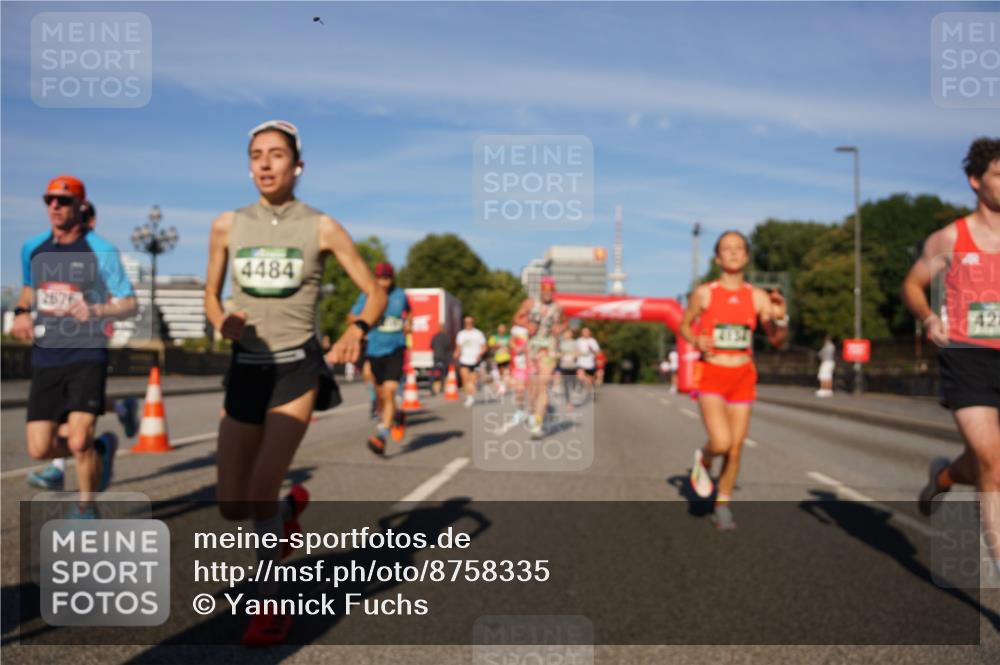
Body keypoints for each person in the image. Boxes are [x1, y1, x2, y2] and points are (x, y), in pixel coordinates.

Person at [204, 119, 385, 647]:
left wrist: (357, 328)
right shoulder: (226, 225)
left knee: (262, 487)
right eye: (256, 155)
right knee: (232, 506)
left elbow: (373, 291)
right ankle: (286, 513)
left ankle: (272, 606)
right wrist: (221, 321)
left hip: (296, 368)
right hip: (246, 368)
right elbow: (210, 295)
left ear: (297, 164)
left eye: (276, 154)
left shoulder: (322, 227)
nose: (265, 163)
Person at [902, 137, 1000, 576]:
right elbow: (912, 284)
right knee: (992, 462)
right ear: (976, 181)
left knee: (986, 460)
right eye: (999, 175)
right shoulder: (951, 237)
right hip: (968, 357)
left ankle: (944, 478)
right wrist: (928, 317)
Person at [12, 177, 138, 514]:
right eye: (50, 200)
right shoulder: (33, 248)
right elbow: (28, 289)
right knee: (40, 448)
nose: (55, 206)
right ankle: (102, 448)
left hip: (86, 354)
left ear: (81, 206)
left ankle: (86, 509)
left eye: (64, 201)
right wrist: (21, 313)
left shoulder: (102, 251)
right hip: (47, 356)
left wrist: (96, 310)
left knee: (79, 440)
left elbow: (130, 303)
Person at [680, 230, 787, 530]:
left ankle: (723, 504)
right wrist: (696, 340)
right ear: (717, 258)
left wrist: (781, 317)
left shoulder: (758, 296)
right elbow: (684, 325)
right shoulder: (704, 293)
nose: (734, 252)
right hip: (712, 374)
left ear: (747, 256)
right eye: (727, 248)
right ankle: (704, 457)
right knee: (721, 442)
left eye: (739, 248)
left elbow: (777, 340)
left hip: (742, 376)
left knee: (736, 448)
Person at [350, 262, 410, 455]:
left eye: (387, 278)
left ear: (392, 278)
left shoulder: (400, 295)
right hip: (375, 350)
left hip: (396, 348)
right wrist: (367, 319)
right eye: (380, 279)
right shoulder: (368, 295)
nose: (384, 283)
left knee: (390, 391)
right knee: (382, 396)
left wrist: (408, 323)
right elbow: (350, 317)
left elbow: (410, 312)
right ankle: (397, 415)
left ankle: (382, 436)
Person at [514, 275, 566, 438]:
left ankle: (537, 424)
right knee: (533, 389)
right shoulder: (530, 303)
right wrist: (526, 324)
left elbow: (565, 322)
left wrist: (560, 329)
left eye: (550, 289)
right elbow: (516, 318)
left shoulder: (558, 307)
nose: (547, 292)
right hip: (532, 349)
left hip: (550, 349)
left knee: (543, 384)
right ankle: (532, 411)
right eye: (544, 289)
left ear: (554, 290)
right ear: (540, 290)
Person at [455, 316, 487, 407]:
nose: (468, 324)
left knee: (472, 381)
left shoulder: (478, 333)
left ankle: (472, 395)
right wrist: (456, 354)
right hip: (464, 360)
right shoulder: (461, 334)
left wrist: (480, 354)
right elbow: (458, 347)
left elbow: (484, 347)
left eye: (470, 322)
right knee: (465, 379)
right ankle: (469, 397)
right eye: (466, 322)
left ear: (473, 323)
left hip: (475, 361)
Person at [575, 326, 600, 401]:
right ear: (582, 332)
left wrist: (592, 349)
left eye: (587, 331)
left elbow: (598, 352)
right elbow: (574, 350)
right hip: (580, 362)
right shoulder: (578, 341)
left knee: (590, 381)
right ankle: (582, 390)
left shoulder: (593, 341)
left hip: (590, 363)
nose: (585, 333)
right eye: (584, 331)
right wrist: (576, 354)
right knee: (580, 376)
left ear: (589, 333)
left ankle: (589, 392)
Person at [556, 328, 578, 409]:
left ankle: (573, 398)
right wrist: (561, 356)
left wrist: (574, 356)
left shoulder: (575, 343)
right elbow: (558, 353)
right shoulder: (561, 343)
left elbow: (578, 353)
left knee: (573, 384)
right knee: (565, 384)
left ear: (571, 334)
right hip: (564, 366)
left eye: (569, 333)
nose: (567, 335)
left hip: (573, 366)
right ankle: (569, 402)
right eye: (566, 333)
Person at [488, 323, 512, 396]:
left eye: (503, 328)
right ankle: (501, 386)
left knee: (506, 373)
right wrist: (496, 346)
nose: (502, 329)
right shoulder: (494, 337)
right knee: (499, 373)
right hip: (498, 358)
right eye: (500, 328)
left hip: (507, 357)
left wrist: (509, 349)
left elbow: (511, 345)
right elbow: (490, 345)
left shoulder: (508, 337)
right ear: (498, 329)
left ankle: (503, 387)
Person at [431, 329, 451, 395]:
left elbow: (431, 345)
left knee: (434, 372)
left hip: (436, 357)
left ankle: (432, 387)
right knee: (443, 372)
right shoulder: (446, 337)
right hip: (443, 357)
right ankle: (442, 386)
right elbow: (448, 346)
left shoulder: (435, 336)